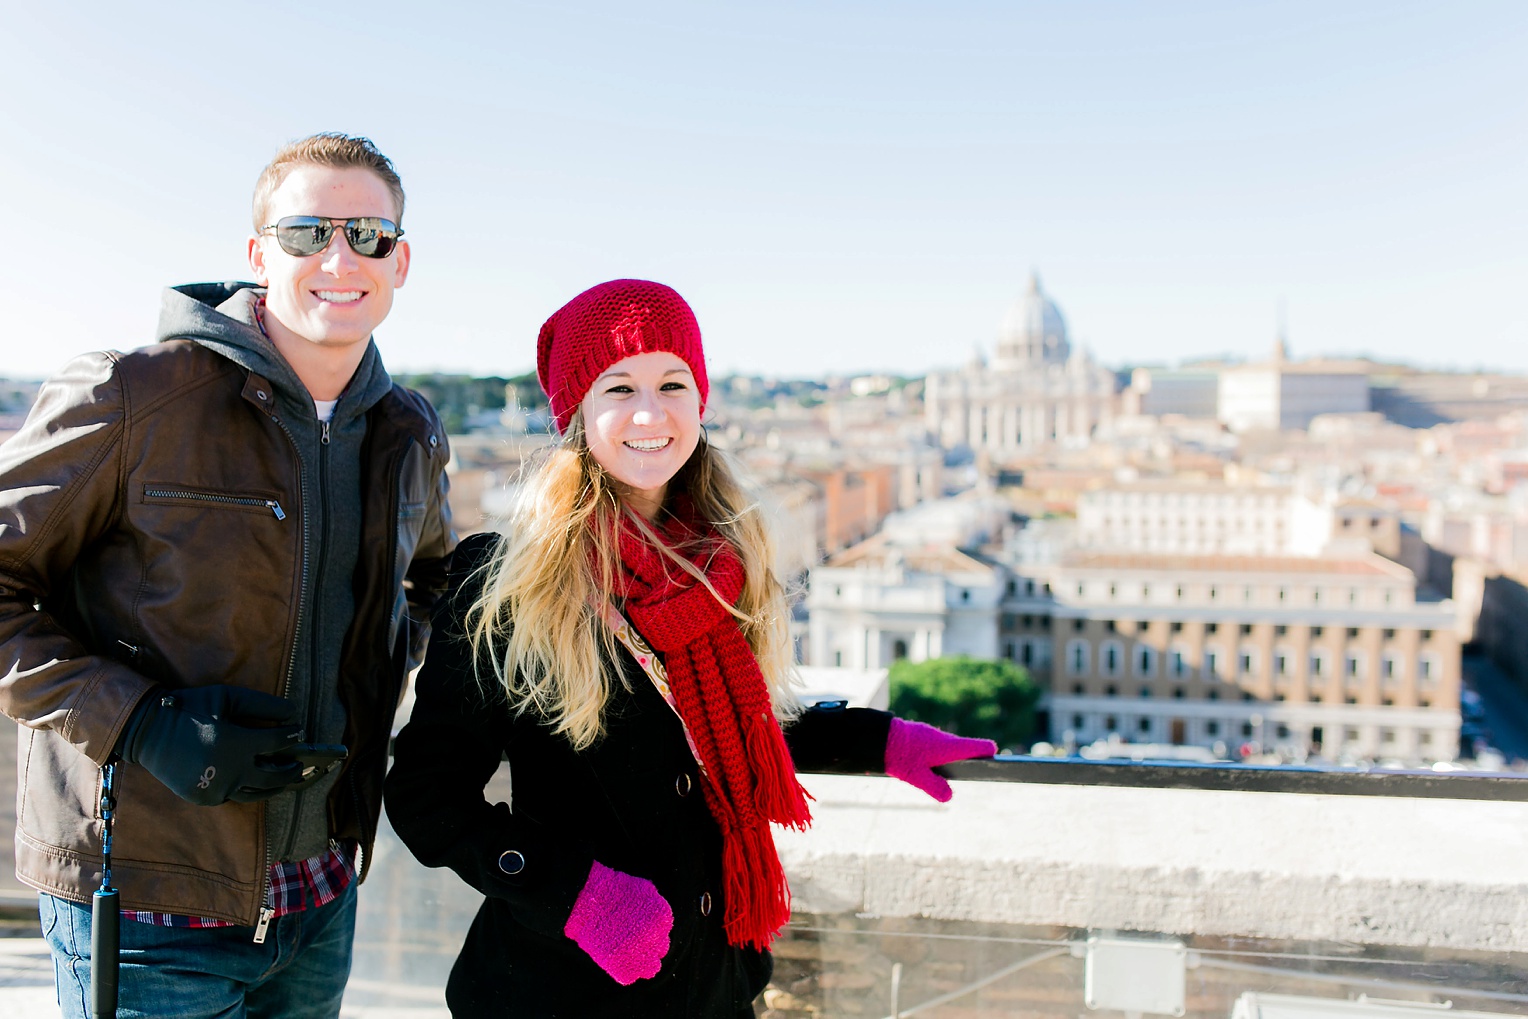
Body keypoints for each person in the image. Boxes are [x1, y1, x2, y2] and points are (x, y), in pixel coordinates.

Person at [383, 278, 993, 1018]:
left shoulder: (728, 555)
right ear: (578, 413)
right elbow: (425, 797)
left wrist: (880, 737)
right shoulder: (507, 582)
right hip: (560, 990)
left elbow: (726, 724)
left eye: (673, 381)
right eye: (619, 387)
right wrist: (575, 892)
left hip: (715, 983)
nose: (650, 412)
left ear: (699, 400)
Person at [0, 132, 456, 1018]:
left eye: (368, 235)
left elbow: (433, 582)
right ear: (256, 254)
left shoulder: (409, 431)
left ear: (400, 263)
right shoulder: (134, 392)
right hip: (144, 901)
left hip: (322, 892)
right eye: (307, 232)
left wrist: (378, 671)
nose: (339, 256)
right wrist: (138, 721)